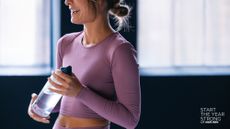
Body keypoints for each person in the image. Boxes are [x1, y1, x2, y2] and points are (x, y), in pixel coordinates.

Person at [28, 0, 141, 129]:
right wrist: (39, 105)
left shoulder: (120, 50)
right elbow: (66, 100)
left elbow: (130, 120)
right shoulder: (65, 43)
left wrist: (80, 92)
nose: (67, 2)